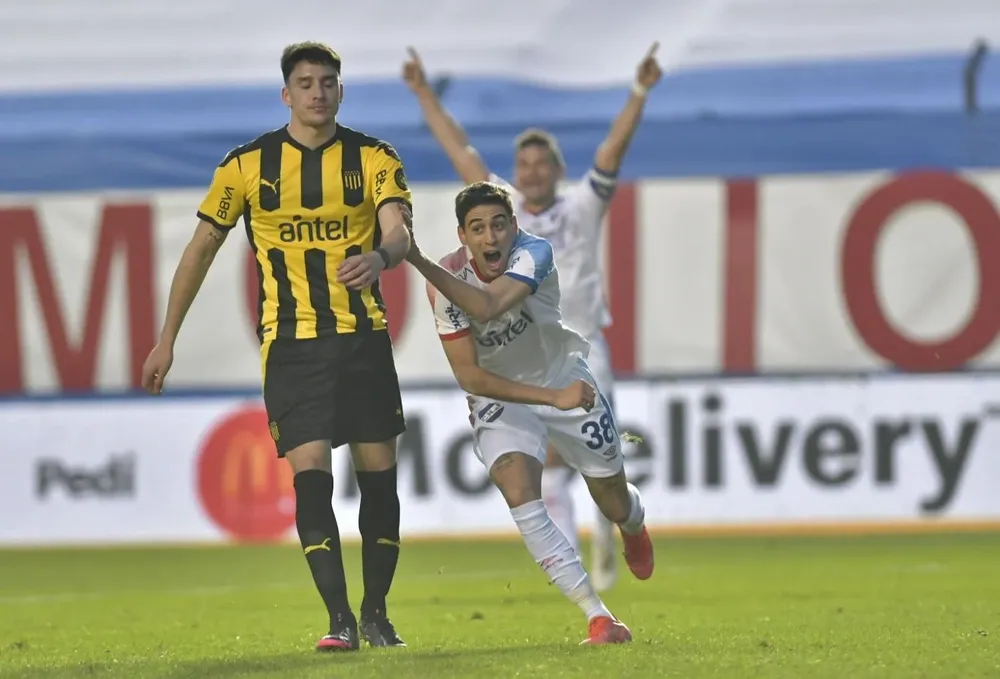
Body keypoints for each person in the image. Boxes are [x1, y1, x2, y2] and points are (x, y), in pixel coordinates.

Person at [141, 42, 413, 652]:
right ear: (286, 94)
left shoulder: (373, 158)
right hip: (292, 347)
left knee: (379, 483)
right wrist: (166, 339)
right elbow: (201, 249)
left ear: (341, 91)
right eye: (306, 83)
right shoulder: (246, 166)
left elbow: (397, 230)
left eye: (328, 82)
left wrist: (379, 255)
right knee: (312, 478)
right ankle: (340, 620)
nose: (318, 92)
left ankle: (377, 613)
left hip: (363, 338)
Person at [402, 43, 662, 591]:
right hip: (520, 360)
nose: (533, 172)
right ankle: (584, 575)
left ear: (558, 171)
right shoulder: (503, 211)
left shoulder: (581, 207)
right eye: (525, 165)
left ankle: (621, 529)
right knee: (543, 470)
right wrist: (424, 92)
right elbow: (462, 153)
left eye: (543, 164)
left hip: (582, 352)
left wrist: (638, 91)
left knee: (604, 477)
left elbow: (613, 150)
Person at [405, 180, 654, 645]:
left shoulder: (533, 253)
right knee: (520, 492)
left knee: (612, 499)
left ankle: (633, 521)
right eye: (477, 228)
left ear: (514, 227)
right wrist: (426, 267)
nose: (490, 237)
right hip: (501, 397)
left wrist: (415, 259)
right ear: (463, 236)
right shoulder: (445, 283)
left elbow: (491, 303)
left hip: (564, 379)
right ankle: (599, 617)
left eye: (499, 225)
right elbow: (471, 378)